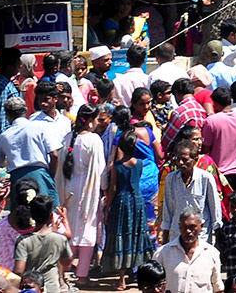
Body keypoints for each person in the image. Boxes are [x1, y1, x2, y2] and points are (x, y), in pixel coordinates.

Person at [101, 130, 156, 289]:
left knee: (123, 236)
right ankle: (141, 276)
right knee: (137, 235)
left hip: (122, 202)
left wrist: (107, 209)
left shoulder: (117, 167)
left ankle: (121, 279)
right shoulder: (139, 164)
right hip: (137, 202)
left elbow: (113, 188)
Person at [60, 105, 105, 282]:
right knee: (87, 227)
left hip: (69, 188)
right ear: (91, 120)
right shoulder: (94, 140)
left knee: (69, 226)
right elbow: (101, 170)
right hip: (89, 189)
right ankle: (82, 275)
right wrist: (105, 187)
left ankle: (64, 270)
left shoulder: (68, 138)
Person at [12, 195, 72, 293]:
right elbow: (66, 261)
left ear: (31, 215)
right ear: (51, 216)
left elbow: (19, 270)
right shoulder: (60, 238)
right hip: (52, 288)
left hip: (30, 289)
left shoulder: (23, 240)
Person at [156, 208, 224, 293]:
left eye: (192, 227)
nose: (188, 231)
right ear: (179, 226)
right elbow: (153, 286)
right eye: (184, 227)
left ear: (201, 226)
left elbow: (218, 287)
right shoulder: (163, 253)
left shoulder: (211, 253)